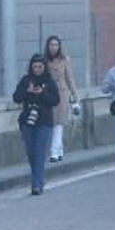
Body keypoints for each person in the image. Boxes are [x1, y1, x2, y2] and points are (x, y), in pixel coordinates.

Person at [13, 54, 60, 195]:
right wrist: (26, 91)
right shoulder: (26, 80)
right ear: (31, 67)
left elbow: (55, 100)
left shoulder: (49, 82)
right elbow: (16, 98)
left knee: (39, 153)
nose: (37, 69)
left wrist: (42, 93)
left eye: (40, 67)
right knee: (31, 154)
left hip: (44, 122)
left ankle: (36, 185)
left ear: (44, 67)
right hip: (28, 121)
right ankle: (39, 179)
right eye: (35, 67)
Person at [42, 35, 79, 163]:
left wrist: (75, 96)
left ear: (59, 46)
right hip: (49, 94)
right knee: (53, 123)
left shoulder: (65, 59)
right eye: (51, 45)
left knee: (59, 123)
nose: (53, 47)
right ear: (48, 46)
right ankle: (60, 150)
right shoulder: (44, 60)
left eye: (56, 45)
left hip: (63, 94)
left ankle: (54, 152)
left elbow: (70, 78)